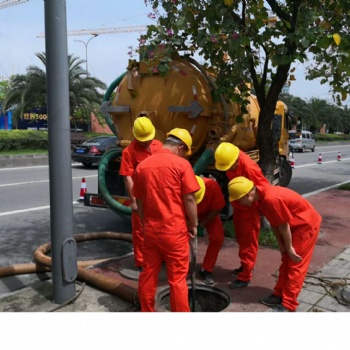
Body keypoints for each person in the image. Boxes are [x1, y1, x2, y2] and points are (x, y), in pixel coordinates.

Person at [228, 176, 322, 312]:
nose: (239, 204)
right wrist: (282, 246)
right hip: (292, 226)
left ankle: (289, 304)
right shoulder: (260, 198)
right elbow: (275, 223)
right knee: (286, 260)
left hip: (305, 225)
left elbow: (283, 226)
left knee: (296, 264)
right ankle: (278, 294)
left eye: (239, 200)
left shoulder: (270, 199)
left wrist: (289, 247)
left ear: (248, 195)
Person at [133, 128, 199, 312]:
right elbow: (189, 199)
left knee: (148, 274)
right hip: (174, 231)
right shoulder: (181, 165)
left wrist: (145, 224)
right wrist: (193, 225)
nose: (185, 155)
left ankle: (147, 311)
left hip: (151, 231)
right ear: (180, 147)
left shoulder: (143, 166)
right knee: (177, 279)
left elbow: (139, 201)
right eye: (185, 151)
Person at [214, 142, 271, 288]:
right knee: (241, 237)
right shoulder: (229, 156)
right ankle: (246, 265)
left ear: (237, 161)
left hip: (250, 209)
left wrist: (262, 210)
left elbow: (265, 190)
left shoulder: (250, 169)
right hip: (239, 205)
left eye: (229, 167)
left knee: (248, 241)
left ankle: (246, 275)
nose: (227, 170)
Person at [119, 116, 163, 271]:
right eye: (143, 140)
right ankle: (140, 261)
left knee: (160, 227)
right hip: (142, 198)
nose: (147, 142)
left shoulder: (159, 145)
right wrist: (134, 201)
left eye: (149, 139)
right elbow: (128, 178)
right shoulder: (129, 152)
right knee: (140, 230)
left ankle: (159, 256)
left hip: (159, 196)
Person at [194, 175, 225, 285]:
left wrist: (202, 225)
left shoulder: (212, 186)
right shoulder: (179, 187)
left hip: (208, 212)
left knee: (217, 238)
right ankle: (174, 264)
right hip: (186, 211)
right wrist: (190, 224)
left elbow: (217, 209)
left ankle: (206, 269)